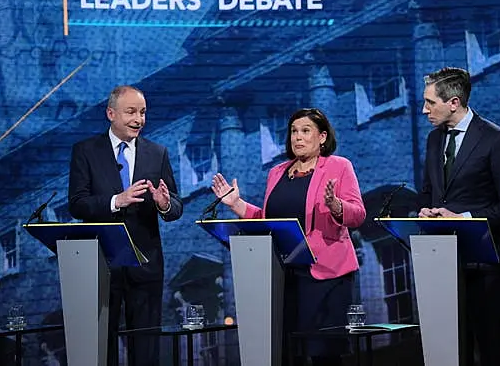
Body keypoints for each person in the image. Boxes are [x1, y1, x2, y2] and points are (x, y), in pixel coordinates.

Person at [211, 108, 366, 366]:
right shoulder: (277, 172)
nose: (298, 137)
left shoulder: (339, 167)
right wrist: (237, 205)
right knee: (287, 351)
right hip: (284, 274)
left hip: (326, 275)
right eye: (294, 131)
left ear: (323, 137)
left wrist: (336, 205)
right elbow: (269, 220)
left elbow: (358, 214)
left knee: (324, 354)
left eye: (306, 131)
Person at [68, 85, 183, 366]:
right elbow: (77, 203)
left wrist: (164, 203)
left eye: (143, 113)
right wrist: (116, 201)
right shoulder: (85, 151)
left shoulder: (157, 153)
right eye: (131, 112)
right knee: (98, 348)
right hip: (101, 264)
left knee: (145, 349)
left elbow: (176, 207)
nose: (138, 119)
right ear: (111, 113)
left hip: (145, 266)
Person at [419, 67, 500, 366]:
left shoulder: (496, 140)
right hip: (441, 261)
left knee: (490, 345)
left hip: (483, 263)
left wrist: (463, 217)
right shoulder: (433, 140)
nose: (424, 109)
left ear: (453, 102)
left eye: (430, 102)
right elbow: (428, 190)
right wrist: (425, 209)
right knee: (449, 351)